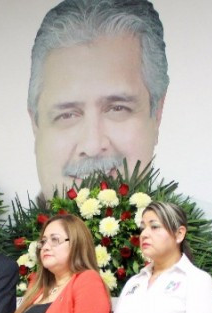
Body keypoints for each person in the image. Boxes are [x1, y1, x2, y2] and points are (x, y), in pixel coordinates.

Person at [29, 0, 167, 198]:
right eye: (67, 115)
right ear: (35, 124)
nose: (93, 147)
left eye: (117, 108)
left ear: (157, 115)